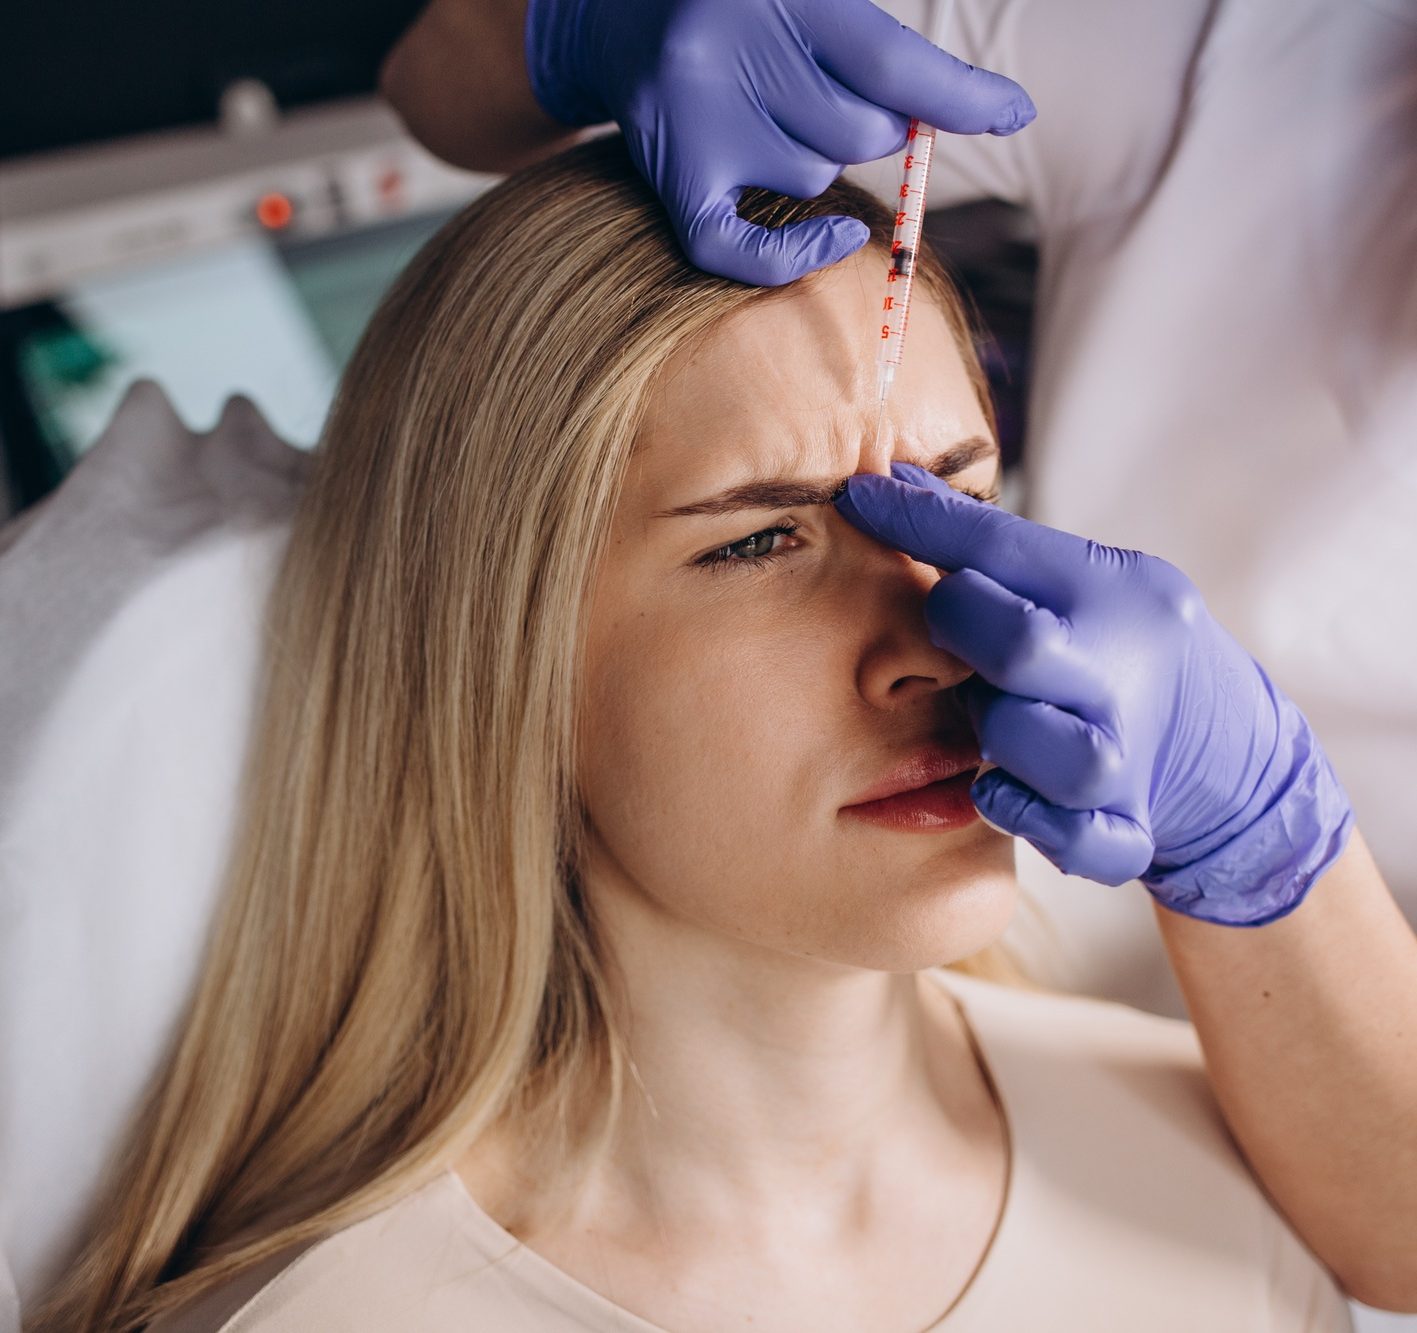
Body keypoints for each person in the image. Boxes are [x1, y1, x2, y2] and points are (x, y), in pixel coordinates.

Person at [22, 135, 1386, 1333]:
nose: (939, 641)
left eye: (958, 503)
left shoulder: (1229, 1180)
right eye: (762, 539)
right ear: (502, 654)